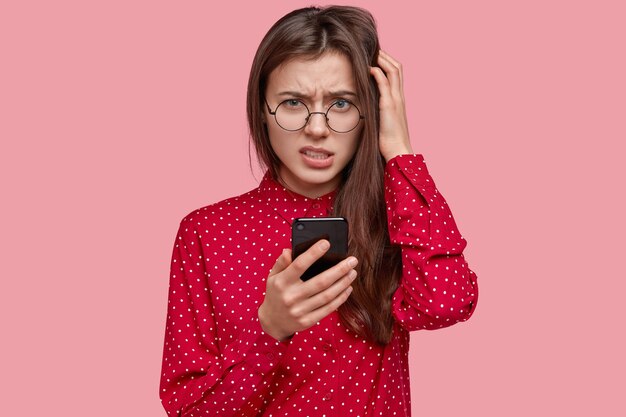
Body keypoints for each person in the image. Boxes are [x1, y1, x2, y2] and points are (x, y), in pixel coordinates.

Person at [159, 5, 478, 416]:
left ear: (371, 112)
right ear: (261, 108)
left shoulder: (394, 219)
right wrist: (269, 330)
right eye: (293, 102)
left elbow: (446, 302)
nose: (317, 127)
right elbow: (189, 409)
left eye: (341, 104)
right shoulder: (206, 232)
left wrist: (400, 153)